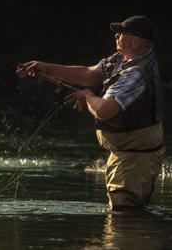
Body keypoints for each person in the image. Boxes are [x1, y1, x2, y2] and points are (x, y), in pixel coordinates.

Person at [16, 15, 164, 211]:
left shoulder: (136, 73)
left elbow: (103, 111)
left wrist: (87, 97)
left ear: (135, 41)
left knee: (124, 215)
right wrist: (47, 67)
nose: (116, 36)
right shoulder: (122, 59)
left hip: (135, 158)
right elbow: (89, 73)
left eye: (121, 33)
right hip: (125, 154)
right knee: (125, 213)